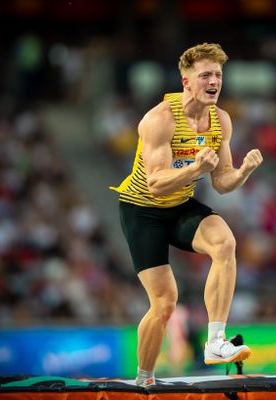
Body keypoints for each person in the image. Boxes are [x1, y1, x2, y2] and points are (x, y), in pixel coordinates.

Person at [111, 43, 262, 386]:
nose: (214, 81)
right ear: (186, 81)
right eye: (205, 75)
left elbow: (222, 182)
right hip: (143, 210)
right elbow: (155, 184)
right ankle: (143, 379)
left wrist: (243, 172)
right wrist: (195, 169)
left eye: (218, 75)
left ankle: (215, 342)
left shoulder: (220, 120)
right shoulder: (159, 119)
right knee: (165, 303)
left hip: (179, 204)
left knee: (225, 242)